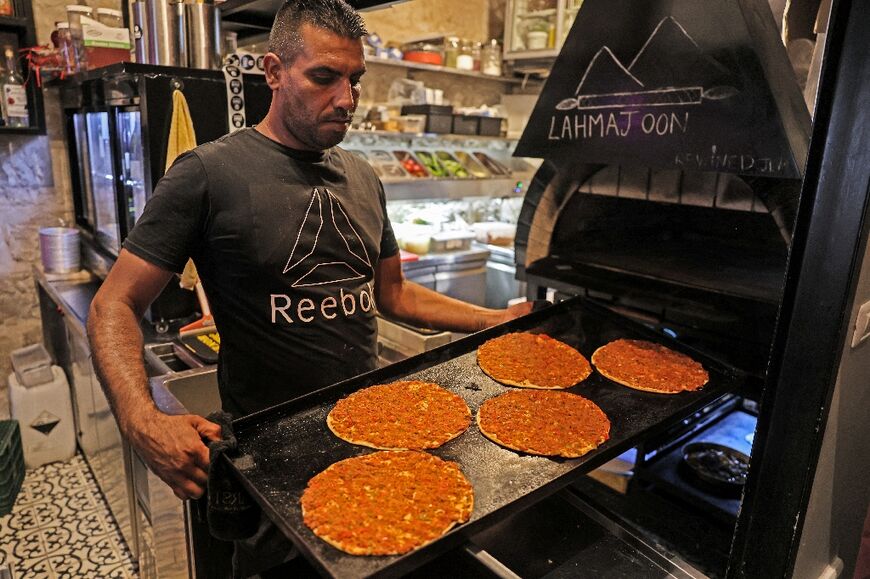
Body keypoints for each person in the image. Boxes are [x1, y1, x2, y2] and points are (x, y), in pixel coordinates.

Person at [87, 0, 531, 575]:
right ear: (273, 72)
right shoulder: (208, 173)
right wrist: (140, 419)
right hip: (271, 464)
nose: (345, 99)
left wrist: (495, 322)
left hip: (379, 438)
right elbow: (113, 303)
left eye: (354, 80)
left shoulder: (363, 178)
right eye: (324, 77)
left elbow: (394, 294)